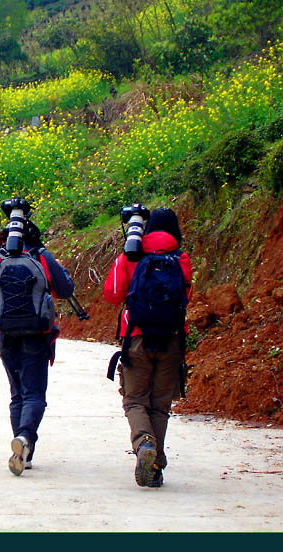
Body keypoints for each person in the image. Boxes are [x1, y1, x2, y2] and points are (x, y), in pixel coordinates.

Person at [0, 217, 74, 476]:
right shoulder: (41, 256)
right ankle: (26, 439)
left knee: (17, 394)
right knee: (34, 394)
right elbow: (65, 289)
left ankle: (24, 454)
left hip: (6, 336)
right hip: (38, 334)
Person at [103, 207, 193, 488]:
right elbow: (186, 295)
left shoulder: (130, 256)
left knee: (135, 400)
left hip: (136, 336)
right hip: (173, 338)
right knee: (160, 405)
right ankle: (155, 468)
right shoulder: (181, 258)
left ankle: (143, 444)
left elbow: (112, 294)